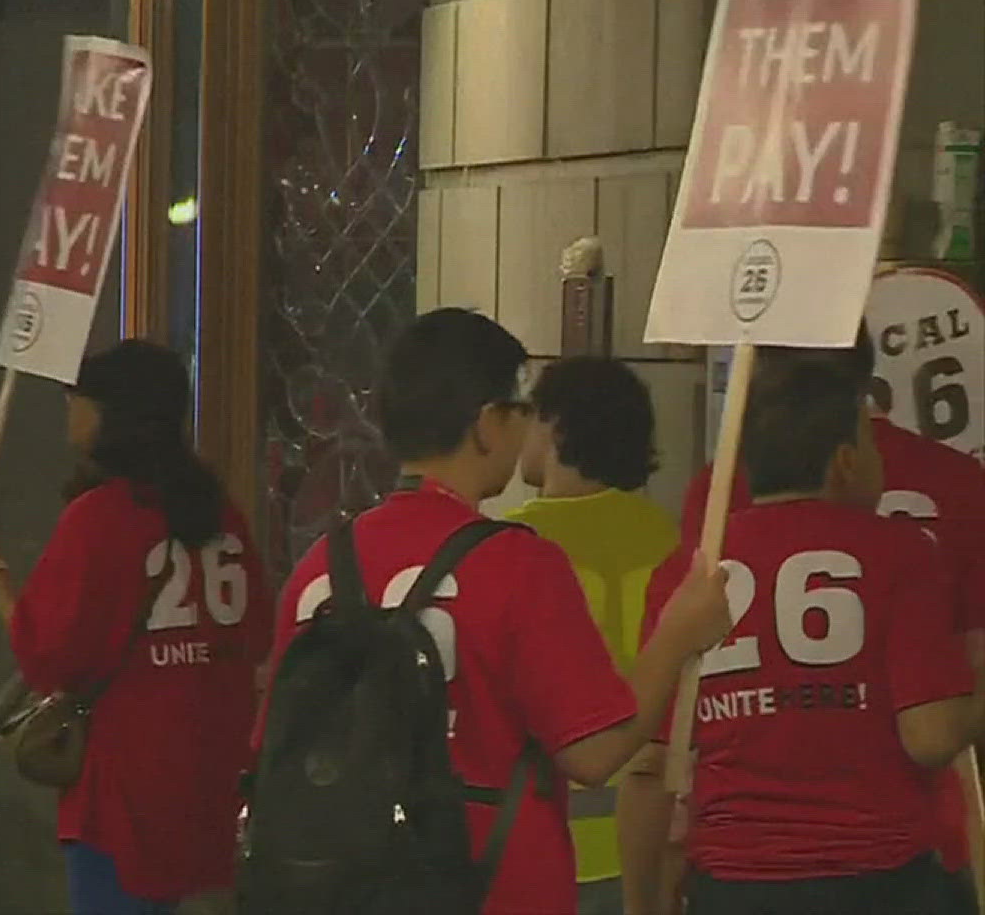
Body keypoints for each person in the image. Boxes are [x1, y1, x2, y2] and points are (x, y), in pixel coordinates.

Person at [257, 309, 731, 915]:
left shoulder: (318, 567)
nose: (526, 424)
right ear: (486, 424)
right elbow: (595, 753)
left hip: (342, 888)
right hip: (494, 884)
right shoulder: (516, 565)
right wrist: (678, 634)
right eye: (519, 408)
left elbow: (273, 750)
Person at [633, 325, 985, 909]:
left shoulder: (701, 553)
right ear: (847, 461)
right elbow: (931, 734)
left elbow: (655, 760)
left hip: (732, 879)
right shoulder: (905, 545)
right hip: (887, 871)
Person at [0, 339, 271, 915]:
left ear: (111, 414)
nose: (69, 408)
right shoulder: (222, 514)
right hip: (209, 776)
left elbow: (47, 656)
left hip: (122, 790)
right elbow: (258, 637)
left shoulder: (98, 519)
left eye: (81, 398)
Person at [505, 357, 681, 915]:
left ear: (555, 427)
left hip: (544, 835)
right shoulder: (674, 540)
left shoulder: (514, 545)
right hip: (653, 837)